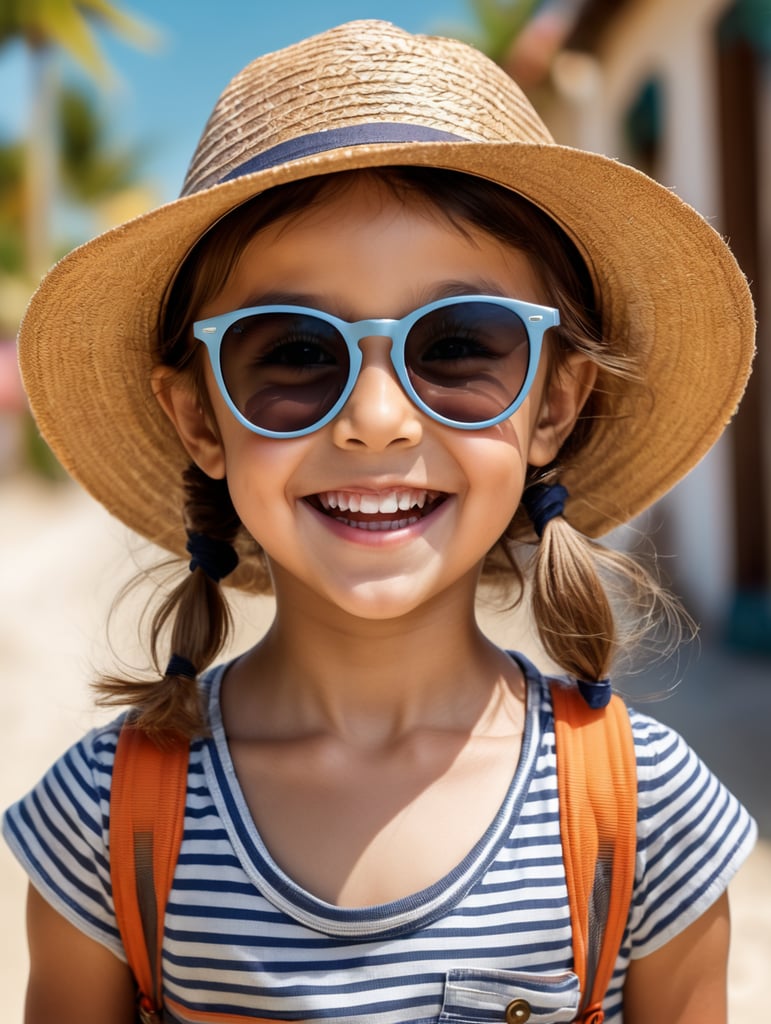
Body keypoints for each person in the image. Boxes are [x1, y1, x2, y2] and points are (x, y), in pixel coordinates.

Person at [3, 19, 757, 1024]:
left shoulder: (646, 811)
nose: (375, 420)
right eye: (294, 353)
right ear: (199, 418)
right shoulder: (106, 820)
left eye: (457, 344)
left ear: (554, 406)